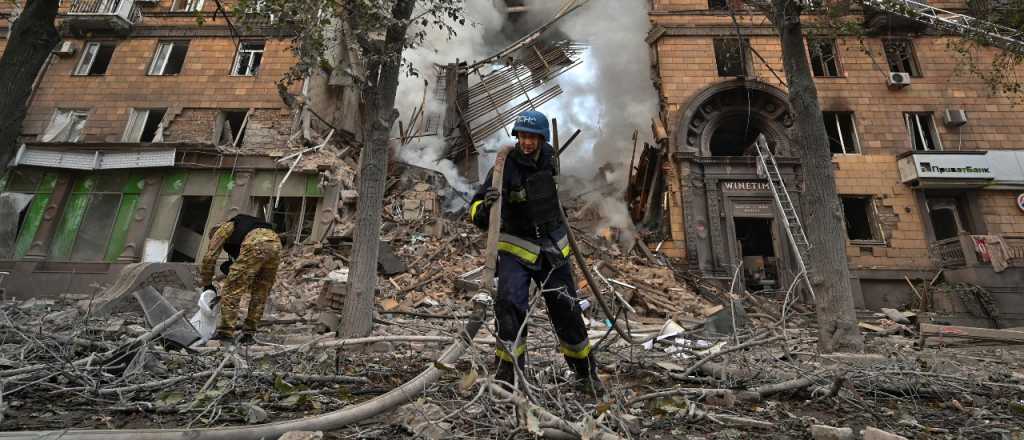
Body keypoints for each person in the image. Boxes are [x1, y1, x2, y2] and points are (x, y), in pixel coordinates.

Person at [468, 110, 602, 394]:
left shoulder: (551, 161)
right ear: (517, 137)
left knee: (567, 311)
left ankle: (585, 374)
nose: (527, 142)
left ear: (542, 139)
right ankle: (509, 376)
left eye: (533, 137)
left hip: (552, 250)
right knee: (509, 307)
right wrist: (487, 206)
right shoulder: (504, 167)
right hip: (516, 249)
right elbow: (475, 212)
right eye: (523, 136)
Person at [198, 214, 282, 342]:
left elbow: (210, 257)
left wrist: (207, 283)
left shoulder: (223, 229)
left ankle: (225, 332)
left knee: (231, 289)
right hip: (276, 244)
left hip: (256, 242)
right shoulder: (243, 229)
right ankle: (249, 333)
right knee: (260, 291)